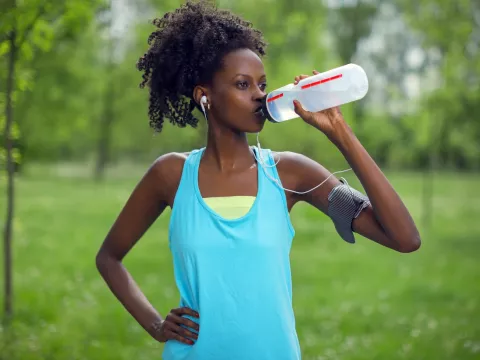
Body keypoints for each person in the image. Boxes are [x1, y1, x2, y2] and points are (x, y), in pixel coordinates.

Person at [95, 1, 421, 359]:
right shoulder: (170, 175)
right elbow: (109, 257)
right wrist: (156, 324)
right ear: (205, 96)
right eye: (242, 84)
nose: (259, 95)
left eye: (262, 84)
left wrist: (340, 133)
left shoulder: (291, 174)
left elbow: (404, 238)